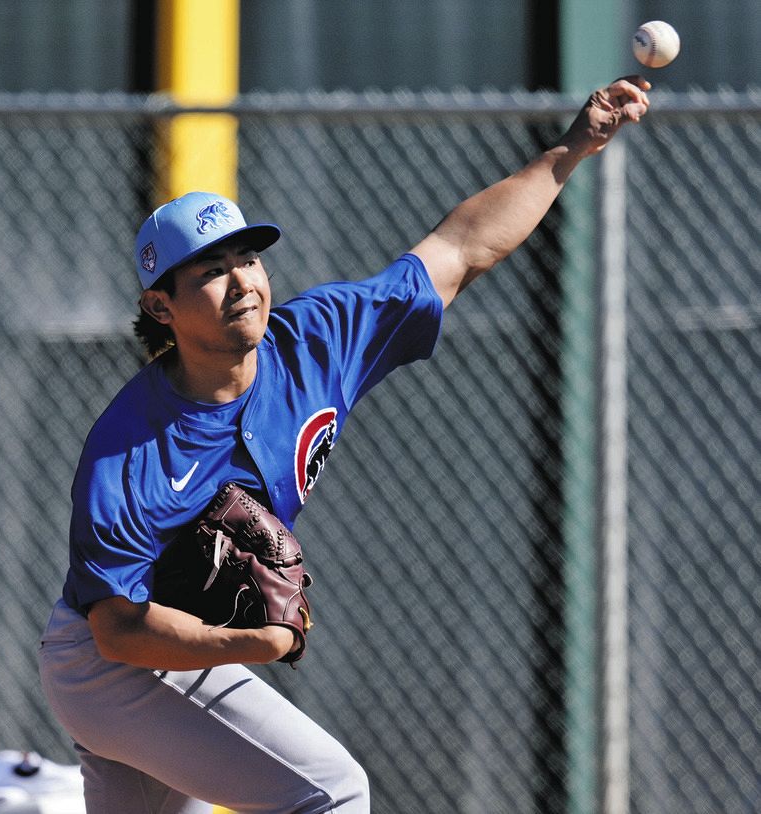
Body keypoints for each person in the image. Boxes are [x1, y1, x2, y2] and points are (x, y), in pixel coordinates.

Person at [38, 77, 652, 812]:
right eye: (210, 271)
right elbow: (116, 629)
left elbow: (458, 251)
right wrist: (254, 644)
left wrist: (574, 146)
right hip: (112, 667)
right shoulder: (131, 449)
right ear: (159, 306)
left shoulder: (320, 340)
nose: (241, 284)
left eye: (247, 259)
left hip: (174, 649)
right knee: (330, 792)